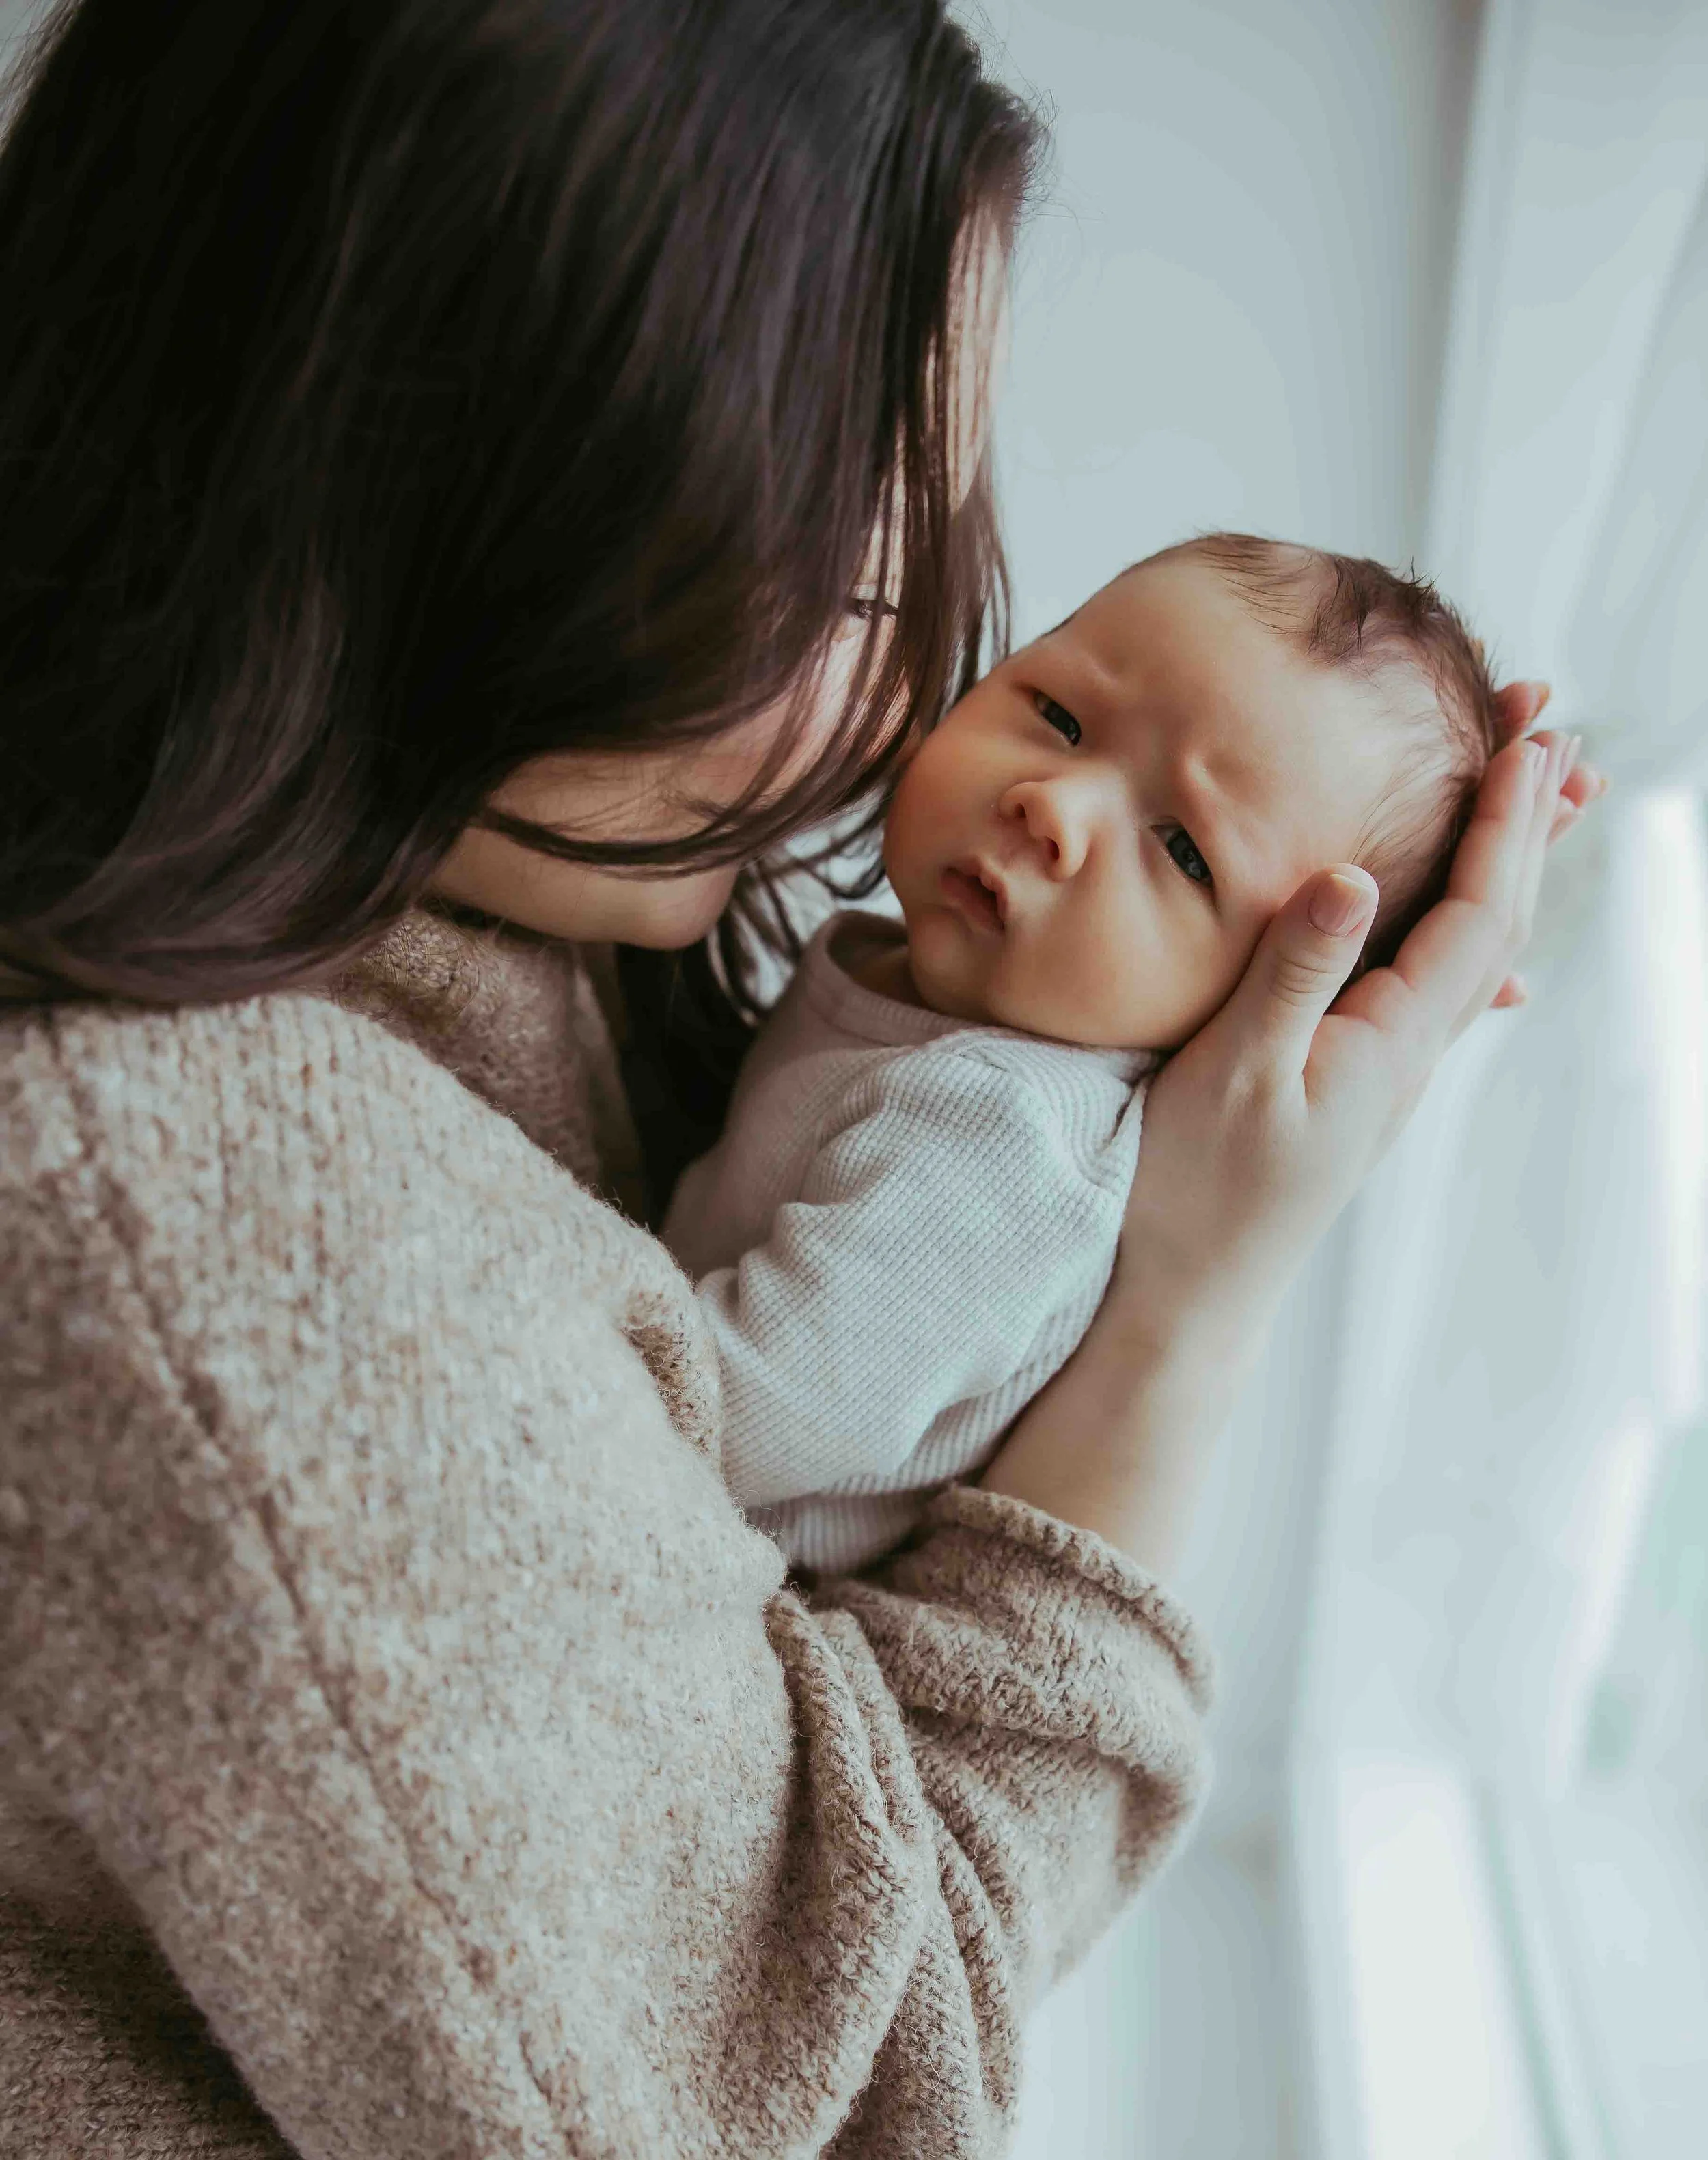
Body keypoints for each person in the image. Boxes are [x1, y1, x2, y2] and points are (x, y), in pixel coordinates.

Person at [0, 4, 1597, 2157]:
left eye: (920, 556)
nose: (901, 682)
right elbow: (834, 2090)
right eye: (850, 569)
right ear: (454, 484)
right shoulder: (206, 1230)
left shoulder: (482, 918)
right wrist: (1190, 1313)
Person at [663, 534, 1587, 1575]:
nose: (1052, 806)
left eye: (1184, 850)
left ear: (1259, 1008)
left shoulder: (1003, 1141)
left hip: (705, 1538)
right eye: (1059, 716)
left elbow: (749, 1406)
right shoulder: (913, 973)